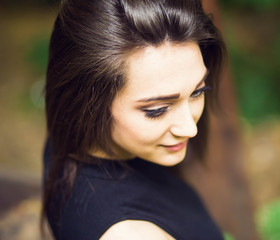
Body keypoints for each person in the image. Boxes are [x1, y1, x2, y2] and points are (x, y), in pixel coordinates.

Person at [42, 0, 226, 239]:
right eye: (157, 110)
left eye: (198, 91)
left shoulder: (72, 138)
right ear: (86, 102)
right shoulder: (129, 233)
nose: (190, 129)